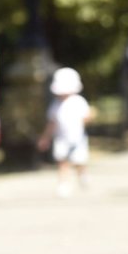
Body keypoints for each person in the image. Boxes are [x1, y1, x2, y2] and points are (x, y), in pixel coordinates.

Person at [37, 67, 95, 198]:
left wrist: (88, 118)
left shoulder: (78, 101)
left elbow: (87, 116)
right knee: (62, 161)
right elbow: (52, 122)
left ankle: (82, 175)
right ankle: (64, 183)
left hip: (78, 138)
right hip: (61, 138)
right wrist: (45, 137)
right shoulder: (55, 105)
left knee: (79, 161)